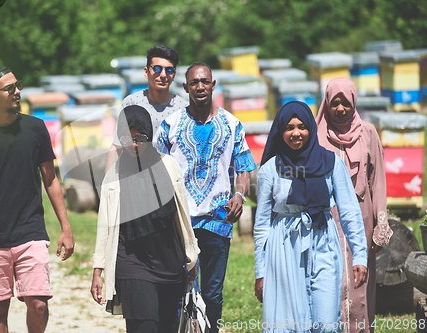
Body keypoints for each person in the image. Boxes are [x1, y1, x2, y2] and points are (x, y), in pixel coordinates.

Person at [0, 65, 75, 333]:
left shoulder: (35, 128)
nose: (17, 91)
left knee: (39, 304)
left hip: (30, 232)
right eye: (10, 88)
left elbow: (51, 180)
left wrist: (66, 228)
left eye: (17, 84)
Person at [156, 62, 257, 333]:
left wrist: (239, 194)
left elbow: (245, 168)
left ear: (213, 85)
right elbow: (155, 170)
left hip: (217, 221)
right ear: (186, 87)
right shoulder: (170, 125)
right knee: (178, 292)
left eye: (205, 81)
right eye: (194, 82)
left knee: (212, 294)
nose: (200, 86)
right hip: (179, 223)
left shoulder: (232, 124)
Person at [254, 101, 368, 333]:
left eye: (302, 126)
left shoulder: (331, 163)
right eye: (289, 127)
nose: (296, 133)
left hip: (323, 243)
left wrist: (360, 256)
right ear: (279, 131)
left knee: (326, 324)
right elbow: (262, 224)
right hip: (284, 248)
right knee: (289, 323)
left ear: (311, 129)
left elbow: (349, 211)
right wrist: (261, 272)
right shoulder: (269, 170)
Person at [91, 105, 199, 333]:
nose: (133, 144)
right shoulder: (115, 174)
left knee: (167, 326)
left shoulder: (169, 165)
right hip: (131, 261)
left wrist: (191, 256)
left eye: (140, 137)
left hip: (168, 261)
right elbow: (105, 226)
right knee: (144, 326)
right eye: (126, 138)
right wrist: (98, 268)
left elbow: (182, 214)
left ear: (149, 135)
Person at [316, 77, 393, 333]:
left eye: (345, 103)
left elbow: (377, 181)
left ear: (354, 103)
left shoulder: (368, 132)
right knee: (331, 279)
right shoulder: (316, 134)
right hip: (327, 218)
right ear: (326, 103)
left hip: (361, 217)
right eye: (334, 103)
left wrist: (380, 223)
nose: (340, 109)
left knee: (359, 281)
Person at [104, 44, 188, 173]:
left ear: (174, 75)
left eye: (169, 70)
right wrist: (108, 187)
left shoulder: (183, 108)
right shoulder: (132, 102)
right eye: (157, 69)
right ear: (146, 72)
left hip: (172, 181)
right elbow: (117, 147)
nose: (163, 75)